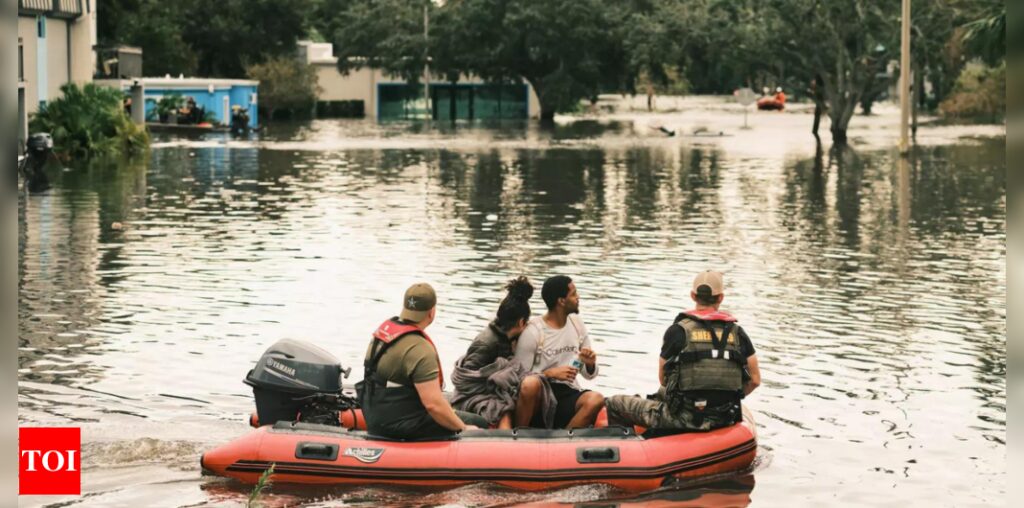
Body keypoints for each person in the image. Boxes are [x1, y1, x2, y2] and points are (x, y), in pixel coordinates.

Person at [605, 271, 761, 432]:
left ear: (693, 295)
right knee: (659, 394)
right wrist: (725, 400)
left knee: (615, 403)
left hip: (686, 418)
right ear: (721, 297)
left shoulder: (678, 331)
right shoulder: (738, 333)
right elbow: (755, 380)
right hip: (726, 416)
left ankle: (630, 449)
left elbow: (664, 379)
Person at [360, 283, 487, 439]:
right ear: (431, 312)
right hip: (399, 425)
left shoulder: (383, 335)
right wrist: (463, 428)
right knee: (480, 423)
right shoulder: (420, 349)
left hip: (376, 415)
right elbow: (433, 405)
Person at [450, 276, 556, 429]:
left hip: (497, 392)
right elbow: (465, 381)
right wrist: (496, 381)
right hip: (473, 396)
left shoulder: (510, 338)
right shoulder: (485, 342)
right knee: (502, 413)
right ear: (521, 322)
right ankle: (510, 444)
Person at [512, 275, 604, 429]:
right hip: (540, 397)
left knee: (596, 399)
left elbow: (589, 375)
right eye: (574, 294)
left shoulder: (577, 324)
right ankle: (519, 436)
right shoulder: (534, 331)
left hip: (568, 392)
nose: (578, 297)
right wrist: (549, 374)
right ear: (561, 301)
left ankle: (565, 441)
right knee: (530, 384)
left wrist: (589, 364)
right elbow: (517, 379)